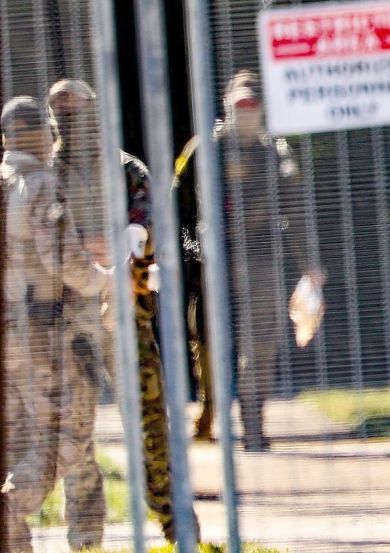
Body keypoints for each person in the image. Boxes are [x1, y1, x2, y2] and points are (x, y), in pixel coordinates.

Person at [47, 78, 199, 543]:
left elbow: (152, 221)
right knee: (75, 430)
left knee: (149, 418)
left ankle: (176, 523)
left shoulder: (125, 168)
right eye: (61, 112)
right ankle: (86, 537)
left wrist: (124, 244)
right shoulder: (45, 172)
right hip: (66, 320)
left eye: (77, 110)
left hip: (123, 313)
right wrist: (77, 251)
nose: (70, 121)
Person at [174, 70, 320, 452]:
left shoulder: (275, 152)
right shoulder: (203, 150)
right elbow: (179, 208)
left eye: (252, 105)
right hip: (212, 264)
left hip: (261, 258)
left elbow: (294, 209)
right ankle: (210, 411)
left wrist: (309, 262)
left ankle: (253, 425)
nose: (246, 111)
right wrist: (191, 256)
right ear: (227, 106)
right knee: (209, 343)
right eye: (240, 105)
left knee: (261, 347)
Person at [1, 96, 111, 552]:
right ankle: (12, 503)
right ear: (44, 135)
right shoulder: (41, 185)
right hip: (42, 334)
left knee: (16, 442)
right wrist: (107, 281)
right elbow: (64, 260)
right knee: (69, 435)